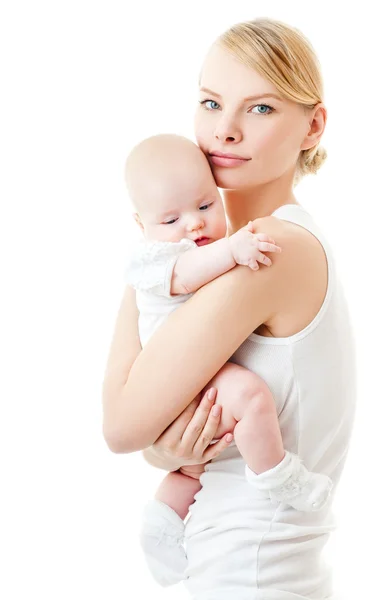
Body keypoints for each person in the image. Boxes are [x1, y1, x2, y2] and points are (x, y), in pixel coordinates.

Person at [102, 17, 357, 600]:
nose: (227, 131)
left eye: (260, 108)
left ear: (312, 125)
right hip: (237, 567)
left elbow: (121, 424)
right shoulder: (229, 252)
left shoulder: (269, 250)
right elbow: (151, 432)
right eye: (211, 103)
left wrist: (150, 262)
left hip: (254, 575)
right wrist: (162, 446)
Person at [123, 133, 334, 586]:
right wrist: (233, 249)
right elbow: (190, 273)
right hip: (182, 379)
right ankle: (278, 475)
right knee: (252, 398)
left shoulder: (269, 238)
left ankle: (161, 522)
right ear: (142, 225)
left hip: (187, 380)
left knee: (191, 468)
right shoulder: (159, 261)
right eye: (171, 219)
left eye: (204, 207)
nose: (192, 227)